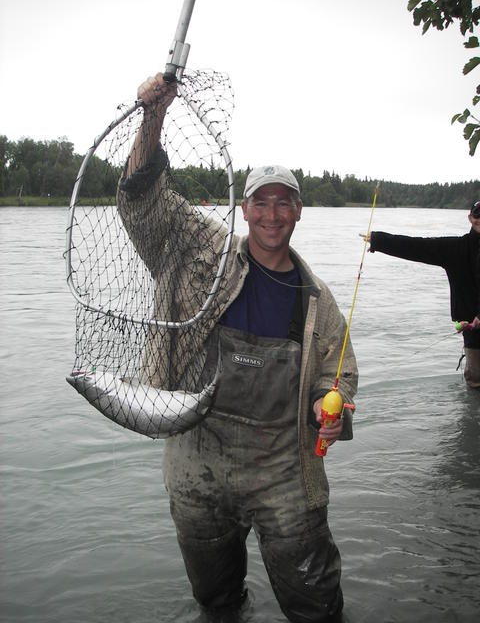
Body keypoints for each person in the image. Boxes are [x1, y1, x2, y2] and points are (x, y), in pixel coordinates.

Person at [117, 72, 358, 623]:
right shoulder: (198, 252)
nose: (272, 215)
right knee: (217, 604)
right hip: (194, 463)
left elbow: (337, 375)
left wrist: (335, 406)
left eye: (284, 203)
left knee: (318, 607)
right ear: (244, 210)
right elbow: (141, 202)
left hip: (284, 471)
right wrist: (152, 116)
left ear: (299, 211)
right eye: (261, 203)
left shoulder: (317, 301)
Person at [363, 203, 480, 388]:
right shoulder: (456, 249)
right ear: (470, 218)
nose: (479, 219)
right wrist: (379, 241)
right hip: (474, 334)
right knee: (475, 385)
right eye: (477, 215)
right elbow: (419, 247)